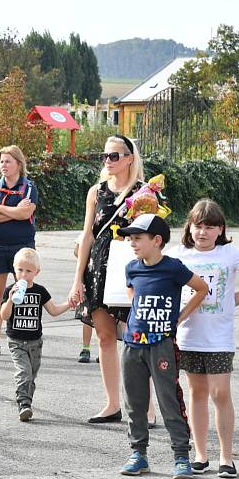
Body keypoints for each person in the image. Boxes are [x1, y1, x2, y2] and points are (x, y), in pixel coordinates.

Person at [166, 199, 239, 478]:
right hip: (188, 336)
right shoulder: (179, 254)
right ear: (190, 226)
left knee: (220, 393)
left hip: (220, 337)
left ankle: (226, 456)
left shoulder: (229, 253)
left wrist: (238, 298)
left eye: (210, 227)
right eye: (198, 226)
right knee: (196, 393)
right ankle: (200, 454)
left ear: (220, 229)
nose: (203, 232)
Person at [116, 214, 208, 479]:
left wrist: (180, 316)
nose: (132, 243)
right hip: (133, 344)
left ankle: (181, 455)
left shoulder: (174, 268)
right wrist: (136, 310)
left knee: (169, 400)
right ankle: (138, 454)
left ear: (157, 241)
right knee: (134, 402)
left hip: (162, 344)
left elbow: (201, 289)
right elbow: (131, 290)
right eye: (130, 238)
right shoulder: (132, 267)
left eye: (137, 238)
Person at [70, 134, 146, 423]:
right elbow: (87, 234)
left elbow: (153, 235)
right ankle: (112, 404)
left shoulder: (143, 192)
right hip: (98, 268)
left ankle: (144, 406)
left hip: (131, 270)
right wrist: (78, 279)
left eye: (114, 155)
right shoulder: (96, 191)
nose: (108, 161)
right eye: (105, 156)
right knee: (104, 337)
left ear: (129, 158)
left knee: (136, 338)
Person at [0, 145, 38, 356]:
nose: (3, 165)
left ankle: (25, 340)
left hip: (22, 245)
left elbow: (25, 214)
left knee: (24, 291)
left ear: (18, 164)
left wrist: (0, 209)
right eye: (1, 161)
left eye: (8, 161)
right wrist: (12, 211)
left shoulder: (29, 187)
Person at [0, 248, 70, 422]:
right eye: (20, 270)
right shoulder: (10, 289)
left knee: (31, 376)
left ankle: (27, 403)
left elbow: (53, 310)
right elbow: (4, 315)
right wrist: (10, 299)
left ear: (36, 272)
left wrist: (70, 303)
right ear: (14, 269)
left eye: (28, 271)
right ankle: (23, 404)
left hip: (35, 342)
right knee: (23, 372)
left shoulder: (40, 291)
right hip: (16, 341)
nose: (23, 275)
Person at [73, 236, 95, 363]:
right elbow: (76, 250)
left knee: (104, 318)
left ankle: (105, 349)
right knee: (87, 317)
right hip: (88, 278)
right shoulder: (89, 231)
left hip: (104, 276)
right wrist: (86, 257)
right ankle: (85, 348)